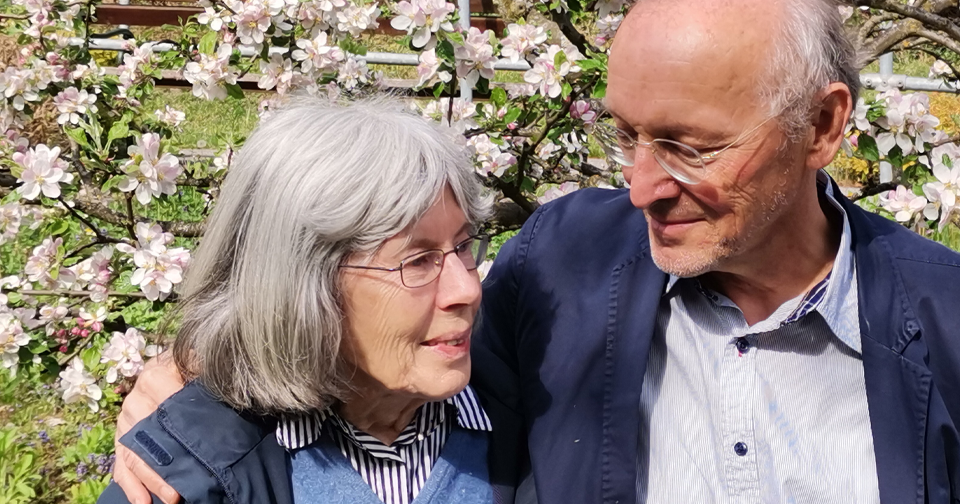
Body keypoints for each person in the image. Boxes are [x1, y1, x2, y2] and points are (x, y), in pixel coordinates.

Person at [112, 0, 960, 502]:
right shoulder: (571, 260)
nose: (640, 188)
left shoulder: (944, 322)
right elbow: (346, 325)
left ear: (822, 125)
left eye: (690, 147)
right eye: (626, 136)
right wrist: (189, 380)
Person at [97, 96, 500, 504]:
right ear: (301, 285)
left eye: (464, 246)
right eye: (417, 261)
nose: (467, 289)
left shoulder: (523, 418)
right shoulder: (190, 475)